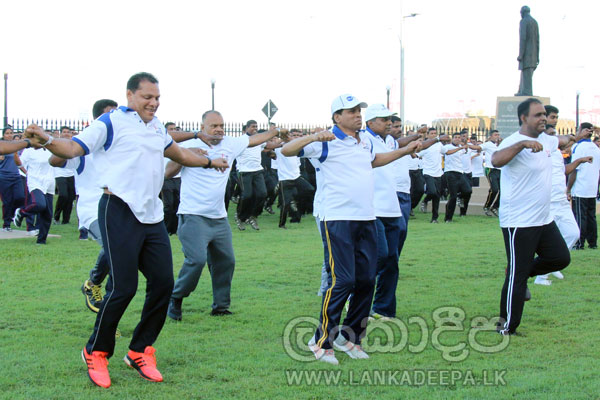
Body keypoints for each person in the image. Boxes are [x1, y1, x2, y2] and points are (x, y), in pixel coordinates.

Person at [23, 72, 228, 388]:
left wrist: (209, 162)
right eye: (147, 97)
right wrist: (48, 140)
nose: (154, 103)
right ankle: (96, 351)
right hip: (117, 210)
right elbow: (73, 148)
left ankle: (139, 351)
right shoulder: (110, 122)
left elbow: (178, 154)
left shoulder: (156, 127)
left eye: (157, 98)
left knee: (163, 283)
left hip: (152, 216)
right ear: (130, 95)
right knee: (124, 287)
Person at [281, 94, 419, 365]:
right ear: (337, 117)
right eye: (351, 111)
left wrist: (404, 151)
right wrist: (313, 137)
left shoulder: (363, 140)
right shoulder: (326, 140)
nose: (357, 115)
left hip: (366, 217)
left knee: (367, 280)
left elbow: (374, 160)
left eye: (359, 110)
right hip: (337, 218)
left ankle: (350, 337)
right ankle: (321, 341)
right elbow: (286, 150)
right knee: (342, 280)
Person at [165, 111, 280, 321]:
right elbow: (168, 173)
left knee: (226, 261)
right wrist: (185, 155)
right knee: (196, 260)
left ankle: (220, 306)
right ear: (202, 127)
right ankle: (176, 298)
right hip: (193, 216)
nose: (219, 129)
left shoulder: (230, 143)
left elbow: (254, 139)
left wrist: (275, 131)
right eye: (214, 126)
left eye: (221, 125)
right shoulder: (189, 145)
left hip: (219, 218)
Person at [491, 98, 570, 335]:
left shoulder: (547, 139)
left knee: (560, 258)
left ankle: (519, 271)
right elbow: (496, 160)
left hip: (544, 219)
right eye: (538, 115)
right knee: (517, 278)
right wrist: (522, 145)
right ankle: (506, 327)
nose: (543, 118)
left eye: (544, 114)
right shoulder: (512, 142)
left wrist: (575, 137)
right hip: (519, 222)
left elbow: (562, 140)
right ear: (523, 118)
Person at [363, 104, 420, 320]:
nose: (388, 123)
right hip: (372, 207)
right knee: (379, 256)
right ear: (370, 122)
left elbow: (400, 145)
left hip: (392, 207)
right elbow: (375, 161)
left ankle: (383, 309)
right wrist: (406, 149)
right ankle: (356, 298)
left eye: (389, 119)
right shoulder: (364, 140)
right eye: (383, 119)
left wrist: (413, 144)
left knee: (391, 261)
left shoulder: (388, 140)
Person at [534, 123, 590, 285]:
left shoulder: (557, 153)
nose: (555, 137)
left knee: (573, 233)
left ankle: (553, 262)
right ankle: (541, 276)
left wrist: (579, 161)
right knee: (543, 240)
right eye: (551, 134)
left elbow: (563, 171)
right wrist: (577, 138)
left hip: (561, 200)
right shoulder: (541, 153)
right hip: (548, 202)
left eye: (555, 134)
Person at [235, 120, 277, 230]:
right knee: (247, 195)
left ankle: (253, 216)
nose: (255, 128)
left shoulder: (259, 139)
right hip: (244, 171)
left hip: (257, 170)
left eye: (256, 126)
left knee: (262, 194)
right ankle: (240, 217)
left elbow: (269, 145)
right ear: (247, 128)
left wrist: (283, 142)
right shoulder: (241, 140)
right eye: (253, 126)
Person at [13, 143, 55, 244]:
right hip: (35, 181)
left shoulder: (51, 149)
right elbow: (19, 162)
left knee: (48, 214)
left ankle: (41, 241)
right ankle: (21, 212)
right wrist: (26, 172)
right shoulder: (29, 151)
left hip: (49, 182)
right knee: (39, 204)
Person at [568, 122, 600, 250]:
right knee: (591, 216)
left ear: (582, 131)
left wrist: (568, 188)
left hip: (580, 187)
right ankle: (593, 242)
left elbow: (574, 169)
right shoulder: (596, 148)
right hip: (592, 187)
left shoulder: (578, 147)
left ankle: (579, 243)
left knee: (580, 216)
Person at [274, 129, 314, 228]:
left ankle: (299, 211)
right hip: (285, 179)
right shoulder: (280, 148)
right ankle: (281, 224)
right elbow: (269, 148)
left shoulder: (296, 148)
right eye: (291, 135)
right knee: (285, 203)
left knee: (310, 189)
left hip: (296, 177)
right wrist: (281, 139)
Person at [0, 128, 31, 231]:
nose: (9, 135)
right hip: (4, 177)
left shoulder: (15, 146)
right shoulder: (2, 146)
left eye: (11, 133)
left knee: (20, 197)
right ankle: (6, 224)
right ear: (3, 135)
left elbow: (18, 160)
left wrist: (26, 172)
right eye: (7, 133)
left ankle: (15, 213)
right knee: (7, 201)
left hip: (16, 176)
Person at [441, 133, 474, 222]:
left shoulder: (461, 148)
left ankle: (460, 197)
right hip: (450, 172)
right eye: (455, 137)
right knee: (453, 196)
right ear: (452, 139)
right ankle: (448, 218)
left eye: (459, 137)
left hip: (460, 172)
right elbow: (448, 153)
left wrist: (464, 147)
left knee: (468, 190)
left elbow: (465, 151)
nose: (457, 139)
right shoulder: (447, 147)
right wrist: (460, 148)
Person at [53, 126, 76, 225]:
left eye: (68, 132)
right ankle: (56, 216)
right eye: (64, 132)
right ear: (61, 134)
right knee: (63, 195)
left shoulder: (74, 144)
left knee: (70, 197)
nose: (66, 134)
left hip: (71, 173)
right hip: (60, 173)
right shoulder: (57, 143)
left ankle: (66, 220)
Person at [516, 6, 539, 96]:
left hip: (526, 54)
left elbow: (523, 39)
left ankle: (524, 92)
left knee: (526, 76)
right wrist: (537, 56)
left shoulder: (524, 21)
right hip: (533, 55)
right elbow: (537, 41)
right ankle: (521, 91)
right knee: (526, 75)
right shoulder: (535, 22)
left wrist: (521, 54)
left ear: (522, 12)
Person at [482, 130, 501, 216]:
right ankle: (487, 206)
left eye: (498, 135)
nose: (497, 136)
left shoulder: (501, 145)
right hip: (491, 169)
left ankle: (495, 207)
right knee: (494, 189)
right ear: (491, 137)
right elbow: (479, 148)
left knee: (503, 190)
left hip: (500, 170)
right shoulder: (488, 144)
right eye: (495, 135)